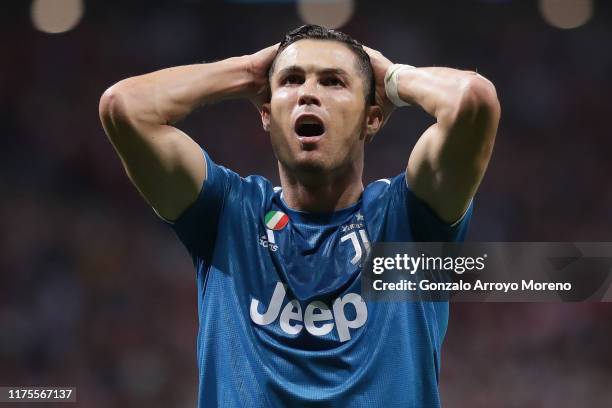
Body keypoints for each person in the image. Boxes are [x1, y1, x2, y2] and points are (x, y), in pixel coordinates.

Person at [99, 24, 500, 407]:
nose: (308, 94)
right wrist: (247, 71)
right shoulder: (226, 215)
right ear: (266, 114)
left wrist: (393, 77)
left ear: (372, 118)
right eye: (291, 80)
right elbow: (124, 107)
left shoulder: (409, 222)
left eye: (333, 81)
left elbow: (473, 100)